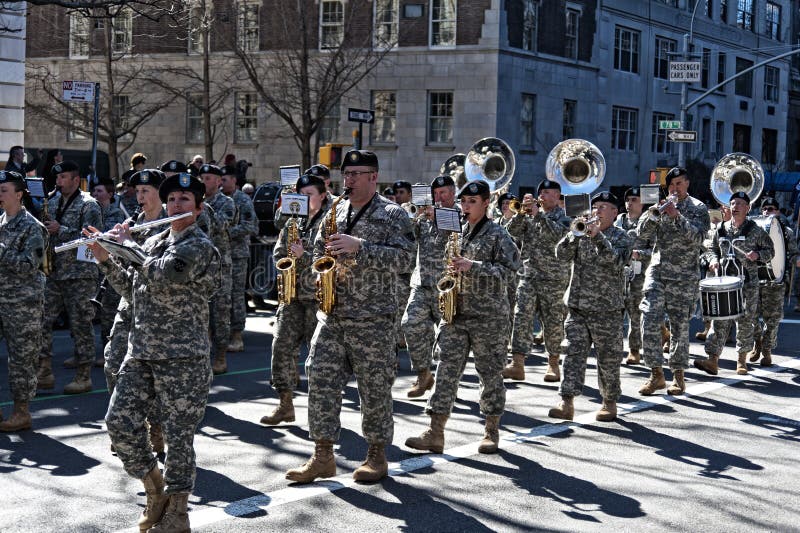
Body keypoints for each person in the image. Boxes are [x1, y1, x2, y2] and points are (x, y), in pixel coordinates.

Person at [88, 172, 220, 533]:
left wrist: (129, 248)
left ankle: (178, 513)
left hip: (183, 357)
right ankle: (154, 488)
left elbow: (164, 274)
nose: (176, 207)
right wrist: (104, 257)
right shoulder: (157, 241)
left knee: (178, 438)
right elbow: (133, 291)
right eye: (172, 200)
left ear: (198, 208)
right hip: (142, 351)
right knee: (119, 423)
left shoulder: (199, 246)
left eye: (184, 201)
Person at [285, 150, 415, 483]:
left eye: (357, 173)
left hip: (373, 320)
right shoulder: (335, 210)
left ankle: (376, 454)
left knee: (374, 390)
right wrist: (318, 272)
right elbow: (318, 249)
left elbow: (405, 260)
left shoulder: (393, 214)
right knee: (320, 381)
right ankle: (323, 455)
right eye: (346, 173)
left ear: (374, 176)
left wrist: (360, 246)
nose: (350, 179)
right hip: (332, 316)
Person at [405, 179, 520, 455]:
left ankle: (491, 430)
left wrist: (473, 266)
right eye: (464, 202)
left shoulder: (498, 235)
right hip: (456, 313)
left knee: (489, 374)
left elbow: (510, 272)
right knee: (445, 371)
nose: (466, 207)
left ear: (485, 203)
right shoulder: (457, 232)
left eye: (472, 203)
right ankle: (435, 431)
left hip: (488, 317)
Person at [548, 192, 632, 421]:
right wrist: (574, 234)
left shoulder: (622, 237)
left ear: (615, 213)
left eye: (603, 207)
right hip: (577, 307)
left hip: (607, 310)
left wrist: (597, 238)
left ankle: (609, 402)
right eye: (595, 206)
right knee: (572, 355)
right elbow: (560, 255)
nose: (597, 211)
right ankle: (566, 402)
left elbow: (615, 263)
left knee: (608, 358)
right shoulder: (581, 232)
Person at [103, 169, 169, 454]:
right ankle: (129, 428)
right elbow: (126, 273)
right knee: (112, 363)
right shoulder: (133, 224)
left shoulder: (171, 225)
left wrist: (128, 245)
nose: (139, 197)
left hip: (157, 311)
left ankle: (156, 428)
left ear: (159, 193)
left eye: (146, 192)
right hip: (130, 304)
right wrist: (105, 251)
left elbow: (159, 271)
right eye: (137, 192)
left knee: (152, 375)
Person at [260, 173, 329, 425]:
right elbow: (279, 250)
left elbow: (333, 258)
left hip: (318, 296)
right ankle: (285, 404)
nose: (305, 199)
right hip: (291, 294)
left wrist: (306, 253)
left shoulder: (332, 219)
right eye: (301, 195)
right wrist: (285, 256)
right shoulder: (293, 220)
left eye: (309, 194)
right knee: (280, 347)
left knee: (318, 356)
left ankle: (320, 411)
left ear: (322, 195)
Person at [637, 167, 709, 396]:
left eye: (679, 184)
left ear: (687, 184)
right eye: (671, 185)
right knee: (648, 318)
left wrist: (677, 217)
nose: (675, 189)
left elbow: (699, 239)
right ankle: (656, 373)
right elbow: (642, 234)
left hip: (684, 275)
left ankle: (678, 376)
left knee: (679, 327)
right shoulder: (660, 206)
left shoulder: (698, 209)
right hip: (658, 271)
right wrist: (653, 214)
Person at [38, 160, 102, 394]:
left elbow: (92, 238)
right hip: (54, 273)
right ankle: (44, 370)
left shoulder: (90, 205)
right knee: (42, 320)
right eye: (57, 178)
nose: (59, 181)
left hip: (80, 274)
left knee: (80, 324)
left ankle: (83, 375)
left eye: (64, 178)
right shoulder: (53, 201)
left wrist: (60, 229)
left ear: (76, 180)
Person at [696, 191, 774, 376]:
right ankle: (712, 359)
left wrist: (758, 255)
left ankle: (742, 360)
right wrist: (713, 260)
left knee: (745, 322)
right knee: (719, 320)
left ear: (747, 208)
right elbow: (711, 249)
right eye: (733, 203)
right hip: (724, 283)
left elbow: (770, 251)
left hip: (747, 283)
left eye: (740, 204)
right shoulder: (721, 229)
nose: (735, 207)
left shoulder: (755, 231)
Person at [503, 179, 570, 382]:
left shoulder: (565, 218)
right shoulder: (530, 215)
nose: (544, 196)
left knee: (552, 321)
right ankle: (517, 363)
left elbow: (558, 236)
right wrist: (521, 213)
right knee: (521, 316)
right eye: (542, 192)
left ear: (558, 197)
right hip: (528, 275)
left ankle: (553, 363)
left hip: (554, 278)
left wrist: (538, 215)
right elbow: (510, 232)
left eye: (549, 193)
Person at [401, 175, 458, 398]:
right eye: (435, 194)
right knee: (410, 324)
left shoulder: (460, 214)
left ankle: (446, 384)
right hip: (422, 283)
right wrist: (412, 216)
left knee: (448, 339)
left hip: (447, 286)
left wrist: (438, 215)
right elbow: (407, 236)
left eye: (443, 193)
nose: (439, 197)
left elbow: (458, 230)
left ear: (453, 193)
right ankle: (424, 374)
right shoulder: (424, 217)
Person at [0, 170, 47, 432]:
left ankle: (21, 412)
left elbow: (30, 266)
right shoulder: (0, 222)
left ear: (19, 195)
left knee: (20, 359)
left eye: (4, 190)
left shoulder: (32, 227)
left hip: (22, 304)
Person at [750, 198, 800, 365]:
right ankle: (757, 342)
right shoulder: (754, 230)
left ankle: (767, 349)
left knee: (773, 319)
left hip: (776, 282)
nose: (766, 212)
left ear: (777, 212)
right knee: (752, 317)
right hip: (756, 279)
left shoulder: (786, 232)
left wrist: (797, 260)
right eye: (764, 209)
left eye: (771, 209)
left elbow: (793, 254)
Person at [198, 164, 236, 375]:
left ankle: (220, 355)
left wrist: (203, 207)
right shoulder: (195, 202)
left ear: (218, 181)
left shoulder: (226, 202)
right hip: (201, 264)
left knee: (221, 311)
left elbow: (221, 225)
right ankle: (203, 354)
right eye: (202, 177)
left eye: (209, 177)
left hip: (220, 265)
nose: (205, 181)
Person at [221, 165, 258, 352]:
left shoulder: (242, 200)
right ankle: (219, 333)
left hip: (237, 255)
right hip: (219, 255)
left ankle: (236, 335)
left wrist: (226, 233)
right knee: (220, 295)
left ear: (234, 180)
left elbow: (250, 226)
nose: (221, 183)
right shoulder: (216, 199)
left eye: (225, 179)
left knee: (236, 294)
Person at [614, 187, 651, 365]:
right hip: (619, 274)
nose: (630, 203)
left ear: (642, 203)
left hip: (639, 275)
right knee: (615, 313)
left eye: (635, 199)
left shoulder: (649, 223)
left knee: (635, 314)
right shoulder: (618, 221)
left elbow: (656, 251)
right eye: (628, 199)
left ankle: (634, 350)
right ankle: (614, 348)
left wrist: (639, 254)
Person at [90, 178, 126, 357]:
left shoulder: (116, 214)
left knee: (108, 311)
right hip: (93, 266)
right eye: (94, 191)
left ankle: (109, 351)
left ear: (110, 194)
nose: (96, 194)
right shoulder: (91, 210)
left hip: (111, 266)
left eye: (100, 191)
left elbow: (106, 236)